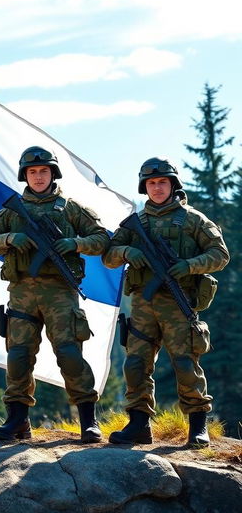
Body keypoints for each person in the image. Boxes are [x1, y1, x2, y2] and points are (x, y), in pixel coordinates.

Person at [0, 146, 109, 443]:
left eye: (44, 171)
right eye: (32, 172)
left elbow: (102, 239)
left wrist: (75, 244)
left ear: (53, 173)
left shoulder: (71, 207)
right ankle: (17, 421)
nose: (38, 177)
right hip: (22, 292)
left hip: (60, 293)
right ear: (25, 175)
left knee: (69, 353)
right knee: (19, 356)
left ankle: (88, 421)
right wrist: (11, 238)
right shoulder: (11, 211)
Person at [104, 157, 229, 447]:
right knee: (135, 364)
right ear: (144, 187)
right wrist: (126, 252)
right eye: (151, 183)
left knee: (186, 364)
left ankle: (198, 425)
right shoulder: (135, 223)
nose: (157, 188)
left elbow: (220, 255)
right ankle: (138, 424)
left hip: (178, 302)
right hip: (143, 305)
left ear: (173, 185)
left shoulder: (193, 219)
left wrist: (189, 265)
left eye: (162, 182)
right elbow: (108, 256)